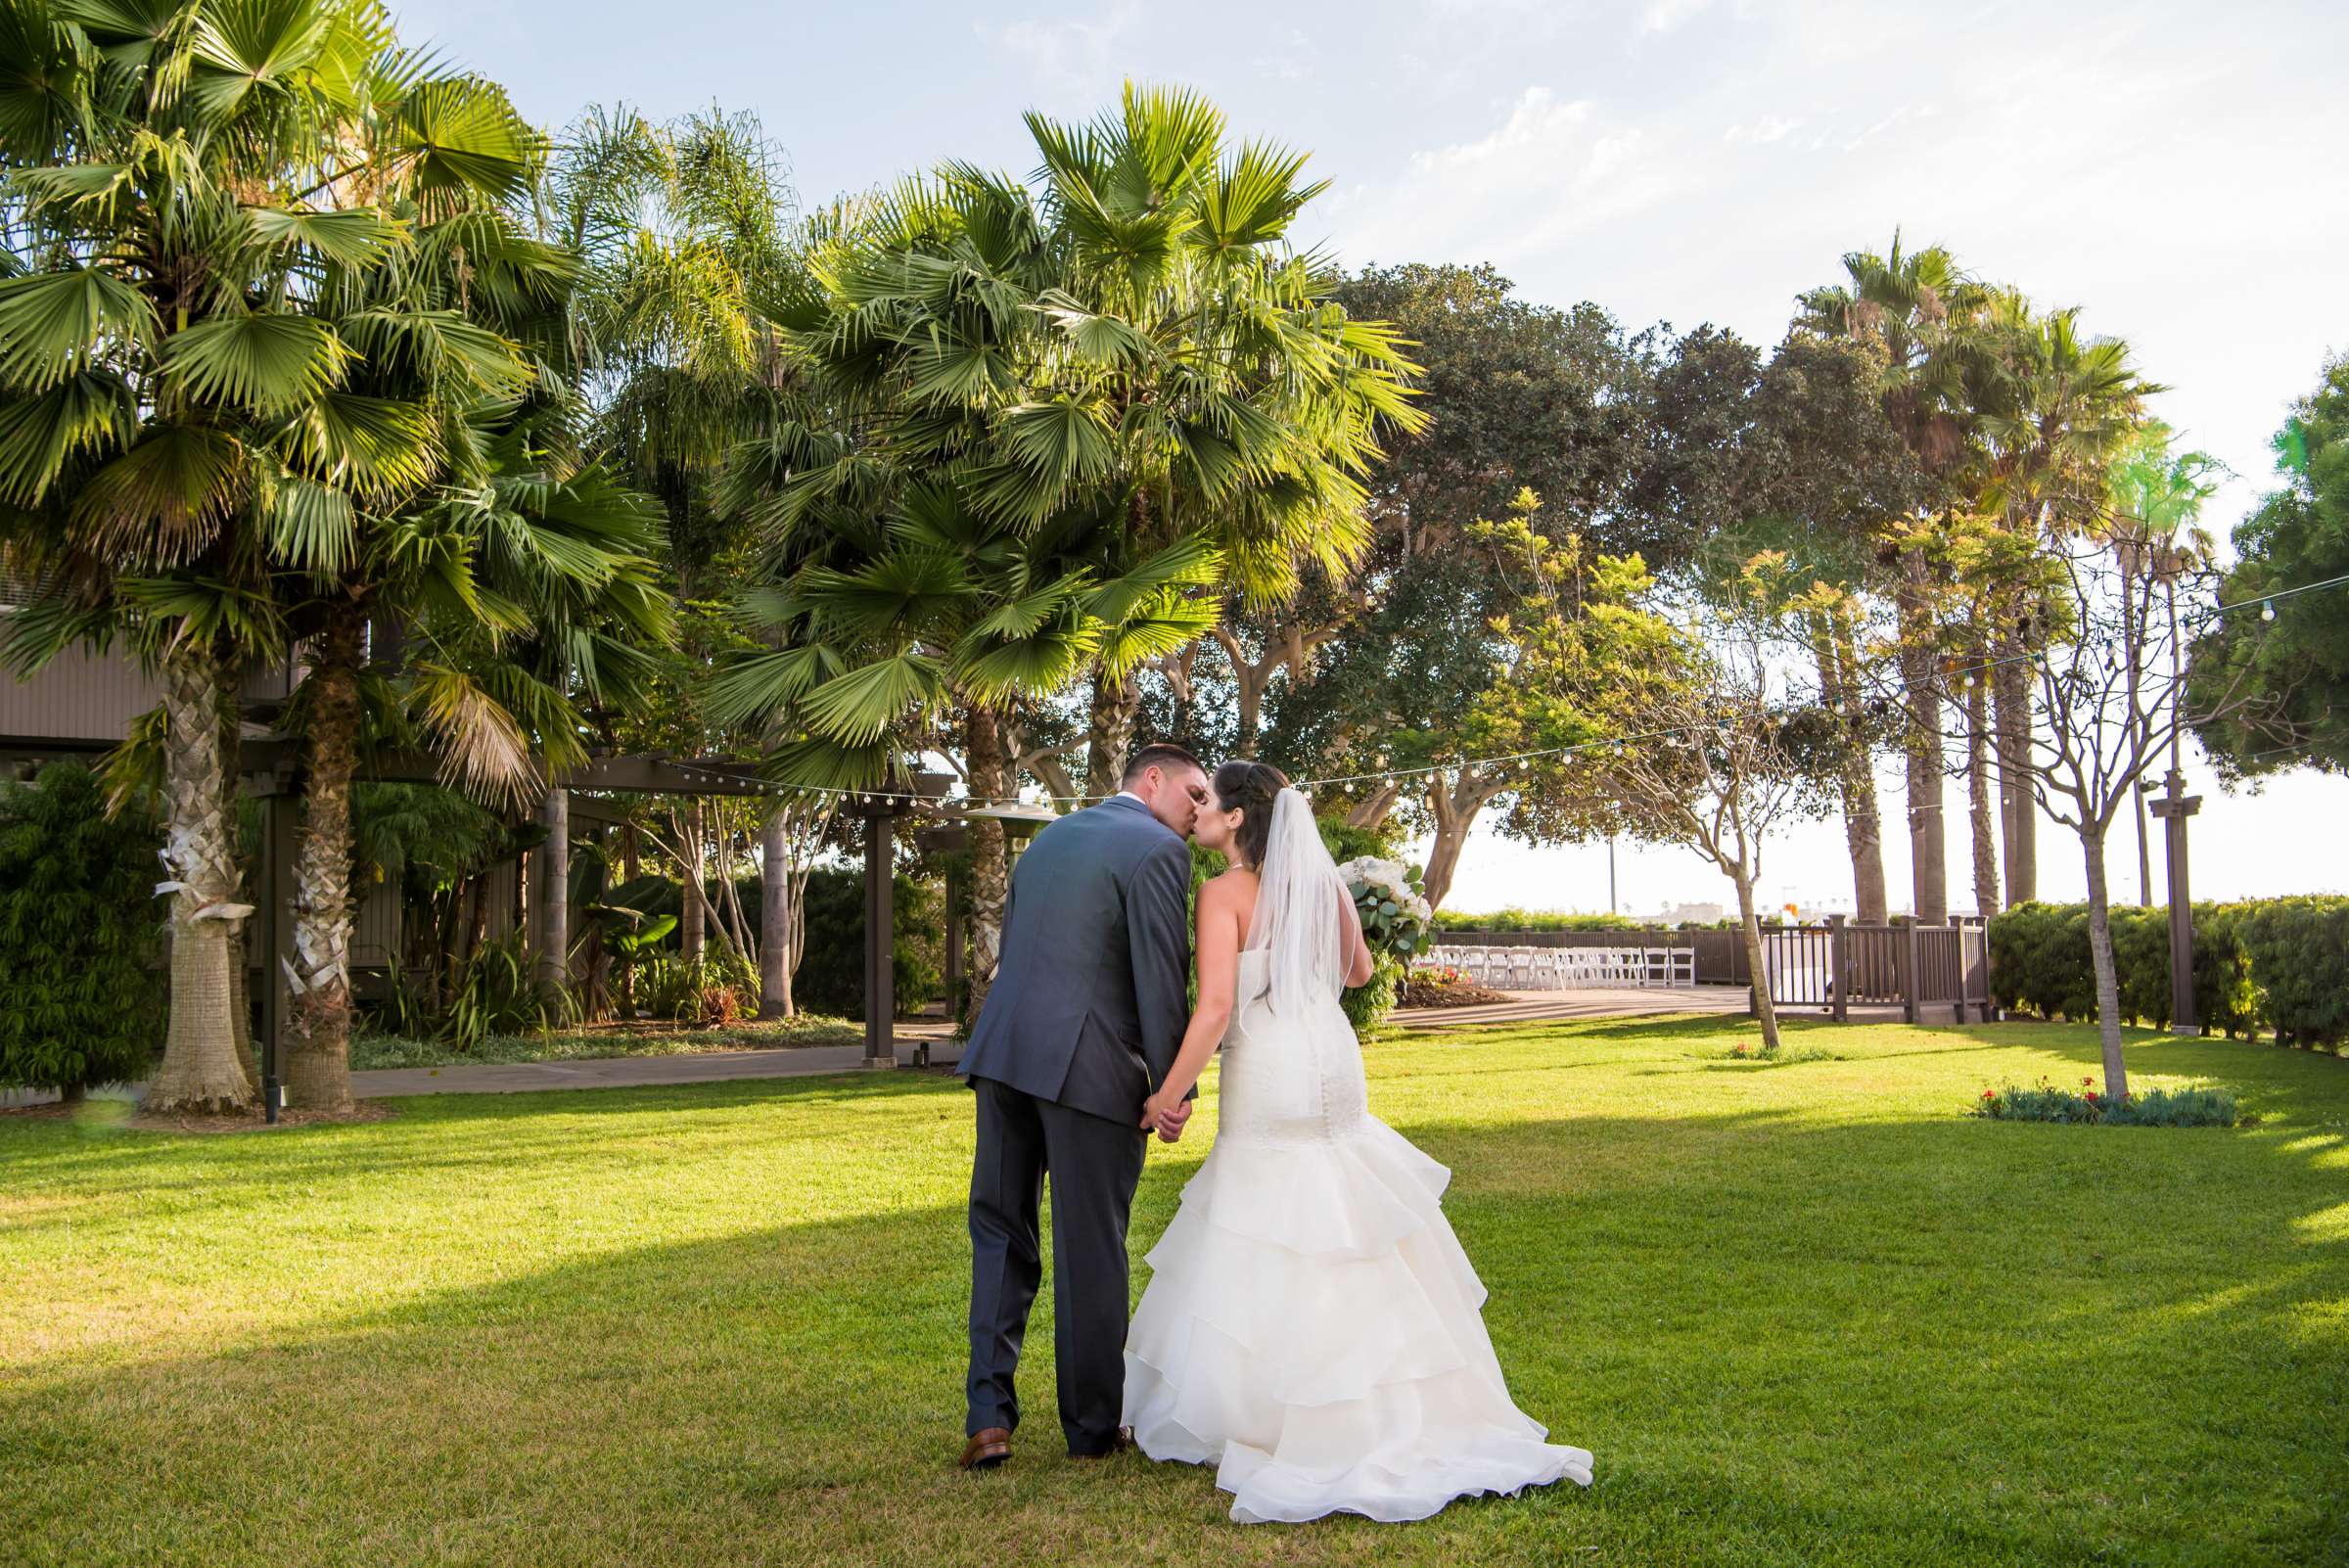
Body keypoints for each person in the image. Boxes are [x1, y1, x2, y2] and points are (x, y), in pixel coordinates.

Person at [1121, 761, 1594, 1523]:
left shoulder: (1220, 895)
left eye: (1209, 803)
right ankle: (1383, 1392)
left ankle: (1279, 1410)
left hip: (1270, 1067)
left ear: (1238, 820)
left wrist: (1165, 1096)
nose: (1199, 812)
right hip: (1332, 1059)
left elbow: (1212, 1011)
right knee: (1338, 1209)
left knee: (1270, 1215)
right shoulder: (1322, 885)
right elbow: (1361, 968)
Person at [955, 743, 1210, 1470]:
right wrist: (1173, 1089)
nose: (1199, 812)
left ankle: (987, 1418)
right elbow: (1161, 978)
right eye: (1193, 794)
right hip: (1091, 1073)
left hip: (1003, 1057)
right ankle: (1092, 1426)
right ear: (1151, 780)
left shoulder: (1047, 841)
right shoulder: (1159, 851)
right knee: (1091, 1248)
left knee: (1000, 1234)